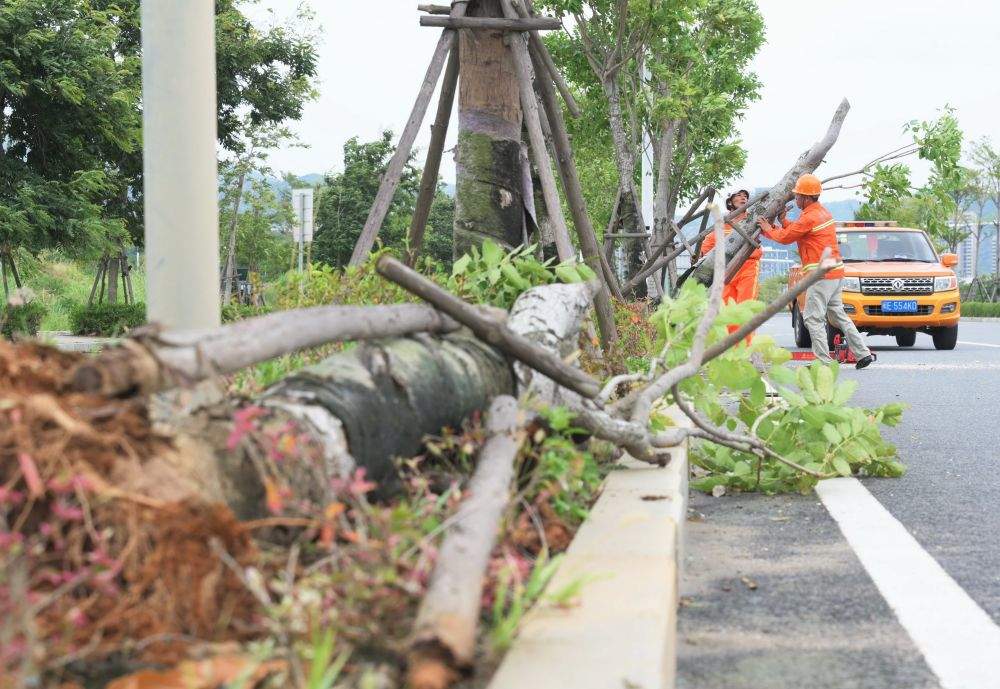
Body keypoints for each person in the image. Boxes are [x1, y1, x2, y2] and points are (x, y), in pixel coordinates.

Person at [756, 174, 875, 369]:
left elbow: (787, 237)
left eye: (798, 196)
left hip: (821, 276)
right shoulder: (821, 213)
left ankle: (823, 363)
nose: (796, 199)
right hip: (835, 273)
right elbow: (799, 232)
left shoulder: (810, 217)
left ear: (806, 197)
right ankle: (863, 353)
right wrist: (784, 221)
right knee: (837, 315)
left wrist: (768, 228)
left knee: (812, 318)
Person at [700, 189, 762, 339]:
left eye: (746, 196)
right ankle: (730, 347)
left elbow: (771, 229)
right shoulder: (723, 224)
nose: (743, 198)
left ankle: (745, 347)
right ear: (730, 202)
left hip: (748, 267)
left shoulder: (753, 219)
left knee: (745, 307)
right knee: (727, 309)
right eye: (739, 195)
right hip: (727, 272)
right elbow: (707, 246)